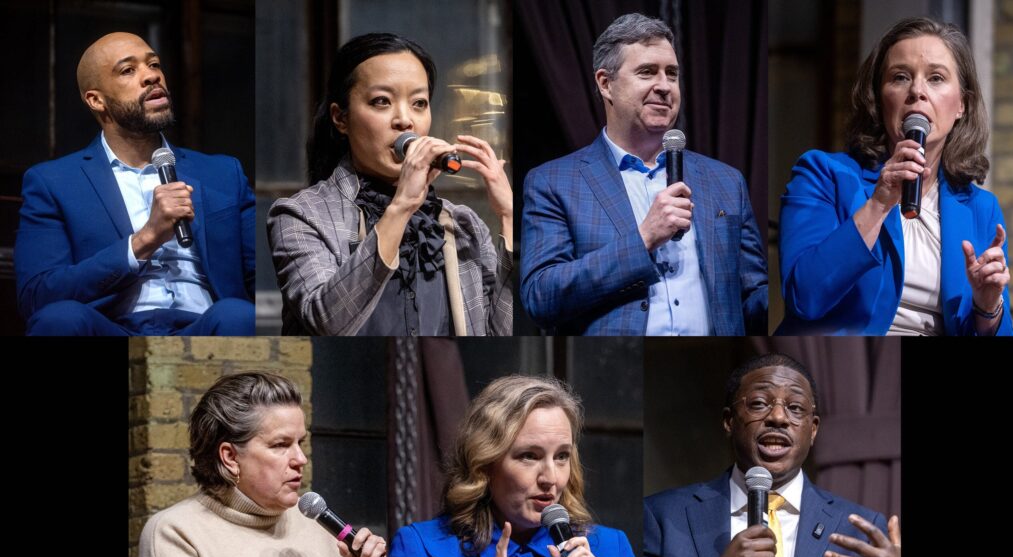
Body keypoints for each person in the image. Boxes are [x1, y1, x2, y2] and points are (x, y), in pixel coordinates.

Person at [520, 13, 768, 336]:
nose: (664, 86)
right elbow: (541, 296)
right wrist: (643, 239)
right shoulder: (554, 183)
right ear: (605, 83)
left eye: (672, 74)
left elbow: (753, 296)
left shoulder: (725, 181)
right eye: (647, 72)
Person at [777, 17, 1013, 335]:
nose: (917, 91)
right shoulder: (823, 174)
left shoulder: (981, 208)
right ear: (880, 96)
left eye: (936, 78)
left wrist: (987, 308)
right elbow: (804, 297)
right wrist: (878, 204)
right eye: (900, 77)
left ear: (962, 105)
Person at [267, 32, 513, 336]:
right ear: (340, 118)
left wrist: (509, 216)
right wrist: (401, 207)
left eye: (419, 103)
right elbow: (328, 324)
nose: (404, 120)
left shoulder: (464, 225)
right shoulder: (300, 215)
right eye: (381, 101)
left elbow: (501, 333)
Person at [15, 32, 255, 336]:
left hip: (209, 324)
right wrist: (144, 240)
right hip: (108, 327)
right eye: (129, 70)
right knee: (60, 319)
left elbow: (262, 277)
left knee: (239, 315)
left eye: (154, 64)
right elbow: (38, 296)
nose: (151, 76)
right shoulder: (53, 182)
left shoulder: (222, 172)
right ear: (96, 99)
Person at [643, 354, 901, 557]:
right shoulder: (662, 515)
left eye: (795, 408)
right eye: (758, 404)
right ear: (729, 421)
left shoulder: (858, 527)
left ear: (812, 430)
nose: (778, 417)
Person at [132, 372, 386, 557]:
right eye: (280, 445)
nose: (300, 458)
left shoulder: (317, 528)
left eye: (300, 443)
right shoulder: (174, 533)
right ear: (230, 456)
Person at [387, 375, 640, 557]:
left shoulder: (611, 551)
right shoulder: (418, 550)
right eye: (529, 456)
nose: (550, 478)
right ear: (484, 464)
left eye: (562, 456)